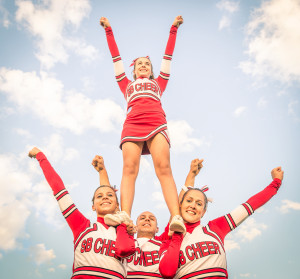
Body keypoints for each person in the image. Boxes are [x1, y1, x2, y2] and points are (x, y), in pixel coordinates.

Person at [99, 15, 186, 234]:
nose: (143, 66)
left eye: (147, 64)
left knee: (164, 168)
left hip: (156, 122)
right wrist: (109, 30)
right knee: (129, 169)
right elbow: (116, 57)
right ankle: (125, 214)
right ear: (134, 70)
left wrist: (173, 29)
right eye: (139, 64)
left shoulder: (159, 83)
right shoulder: (125, 84)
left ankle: (176, 217)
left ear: (152, 70)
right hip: (132, 124)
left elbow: (168, 55)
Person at [158, 161, 284, 279]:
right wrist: (178, 235)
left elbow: (250, 205)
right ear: (180, 205)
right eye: (189, 201)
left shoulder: (215, 228)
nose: (193, 205)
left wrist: (276, 183)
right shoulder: (169, 237)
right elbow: (167, 272)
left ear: (203, 212)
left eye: (199, 203)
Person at [28, 147, 135, 279]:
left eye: (110, 196)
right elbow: (58, 188)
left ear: (118, 205)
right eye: (99, 197)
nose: (105, 198)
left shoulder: (123, 230)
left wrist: (102, 172)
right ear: (93, 206)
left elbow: (110, 202)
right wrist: (41, 156)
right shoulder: (82, 226)